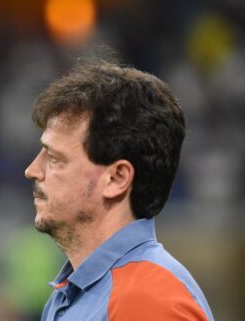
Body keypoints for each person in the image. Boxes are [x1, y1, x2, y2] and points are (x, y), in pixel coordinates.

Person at [24, 58, 214, 321]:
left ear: (116, 179)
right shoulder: (71, 295)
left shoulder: (148, 301)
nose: (32, 170)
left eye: (54, 158)